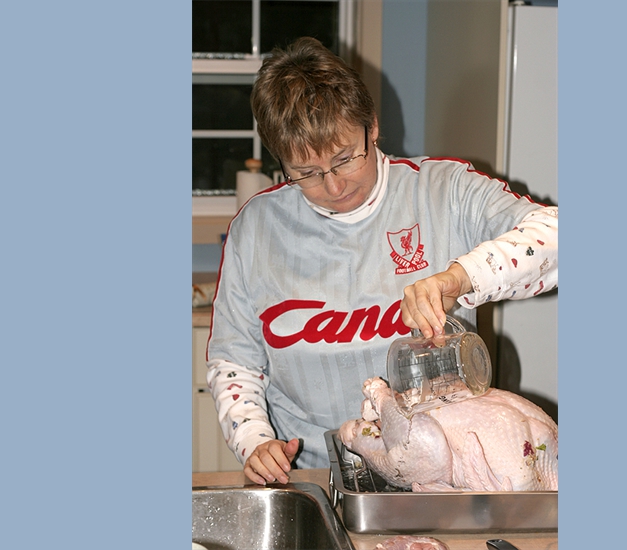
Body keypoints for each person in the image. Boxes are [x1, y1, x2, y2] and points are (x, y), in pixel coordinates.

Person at [206, 37, 558, 485]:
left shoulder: (444, 191)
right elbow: (233, 361)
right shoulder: (256, 228)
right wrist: (254, 440)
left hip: (441, 470)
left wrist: (461, 278)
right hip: (311, 470)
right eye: (306, 174)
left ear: (371, 126)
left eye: (344, 159)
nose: (334, 186)